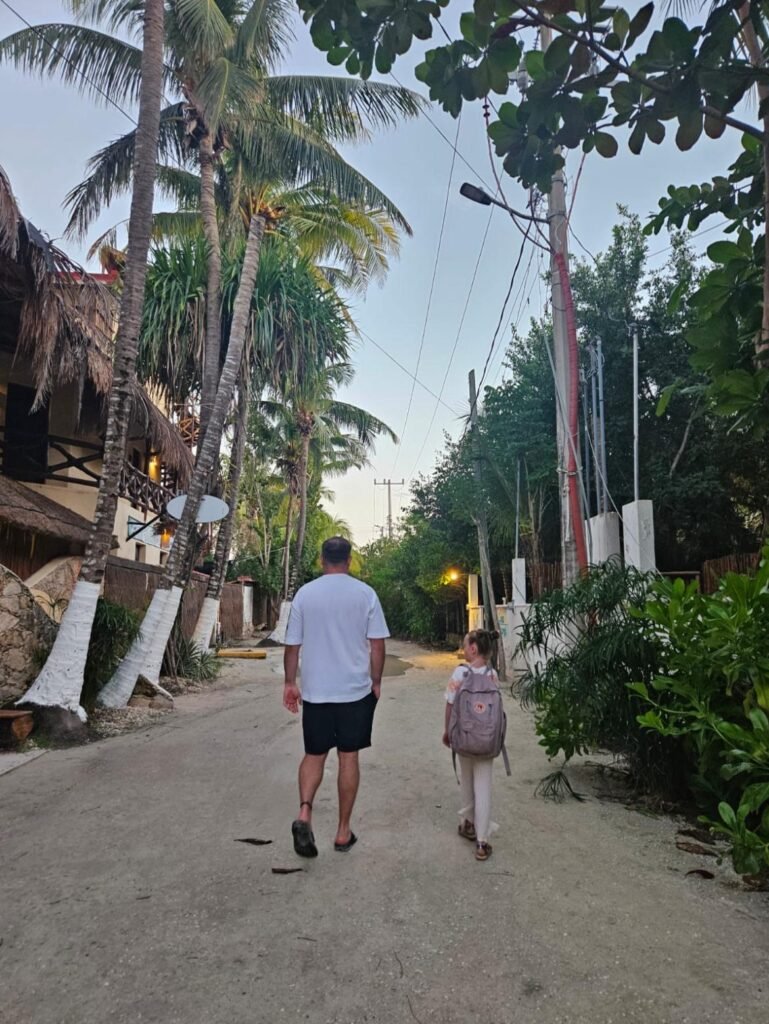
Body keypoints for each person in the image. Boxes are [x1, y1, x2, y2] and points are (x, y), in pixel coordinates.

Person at [283, 535, 389, 858]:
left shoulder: (305, 594)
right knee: (348, 756)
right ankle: (343, 832)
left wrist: (289, 683)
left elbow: (292, 646)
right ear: (349, 560)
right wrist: (376, 681)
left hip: (317, 692)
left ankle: (304, 812)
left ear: (321, 560)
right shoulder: (365, 594)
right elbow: (377, 645)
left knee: (314, 754)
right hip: (354, 692)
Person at [442, 629, 501, 862]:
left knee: (466, 780)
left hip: (465, 737)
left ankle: (467, 824)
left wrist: (448, 732)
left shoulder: (460, 673)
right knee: (483, 787)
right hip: (486, 740)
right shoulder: (492, 675)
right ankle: (482, 843)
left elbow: (450, 704)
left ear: (474, 648)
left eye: (466, 645)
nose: (464, 649)